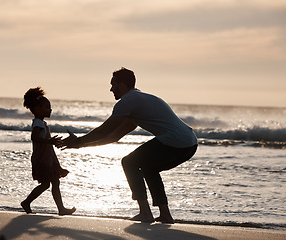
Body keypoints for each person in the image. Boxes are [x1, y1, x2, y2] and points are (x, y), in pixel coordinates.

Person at [62, 68, 197, 223]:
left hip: (176, 140)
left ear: (123, 84)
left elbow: (103, 131)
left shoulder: (127, 101)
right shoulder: (138, 101)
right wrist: (79, 145)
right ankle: (165, 215)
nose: (111, 89)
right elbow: (114, 136)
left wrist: (79, 141)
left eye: (114, 85)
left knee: (129, 162)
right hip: (190, 143)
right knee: (149, 167)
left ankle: (145, 213)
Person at [21, 87, 76, 215]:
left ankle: (61, 209)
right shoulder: (38, 124)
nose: (50, 109)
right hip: (42, 160)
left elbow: (43, 140)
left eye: (50, 107)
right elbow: (34, 138)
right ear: (37, 108)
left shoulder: (41, 123)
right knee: (47, 184)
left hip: (47, 158)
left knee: (55, 182)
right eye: (47, 107)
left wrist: (53, 142)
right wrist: (49, 141)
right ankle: (27, 202)